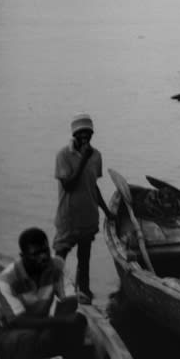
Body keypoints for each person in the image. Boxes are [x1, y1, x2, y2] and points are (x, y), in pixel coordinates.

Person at [0, 228, 88, 359]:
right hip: (9, 335)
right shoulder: (6, 280)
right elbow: (18, 320)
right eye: (35, 254)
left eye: (45, 251)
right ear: (23, 256)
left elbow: (70, 300)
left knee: (79, 321)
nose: (43, 257)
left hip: (41, 329)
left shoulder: (56, 265)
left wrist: (56, 324)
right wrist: (58, 321)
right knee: (28, 337)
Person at [53, 113, 113, 304]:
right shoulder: (63, 155)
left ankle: (84, 293)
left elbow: (92, 185)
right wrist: (83, 159)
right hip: (68, 217)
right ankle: (54, 293)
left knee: (84, 259)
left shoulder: (97, 156)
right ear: (74, 134)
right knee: (60, 256)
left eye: (88, 132)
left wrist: (106, 211)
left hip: (88, 215)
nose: (85, 136)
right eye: (81, 133)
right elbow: (69, 185)